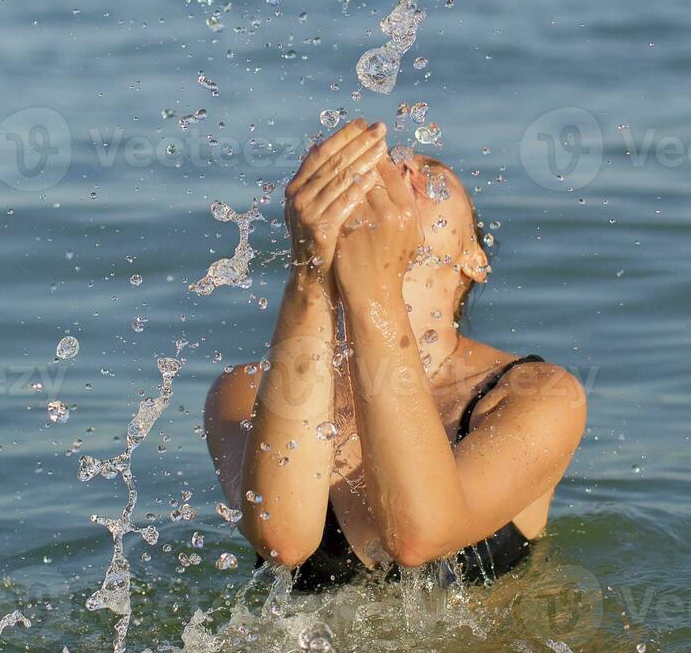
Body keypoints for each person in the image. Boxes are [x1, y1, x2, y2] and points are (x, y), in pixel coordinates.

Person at [205, 119, 586, 590]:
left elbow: (420, 536)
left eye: (430, 175)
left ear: (474, 258)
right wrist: (309, 273)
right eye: (374, 173)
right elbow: (282, 538)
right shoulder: (243, 390)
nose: (400, 175)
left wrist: (373, 288)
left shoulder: (540, 394)